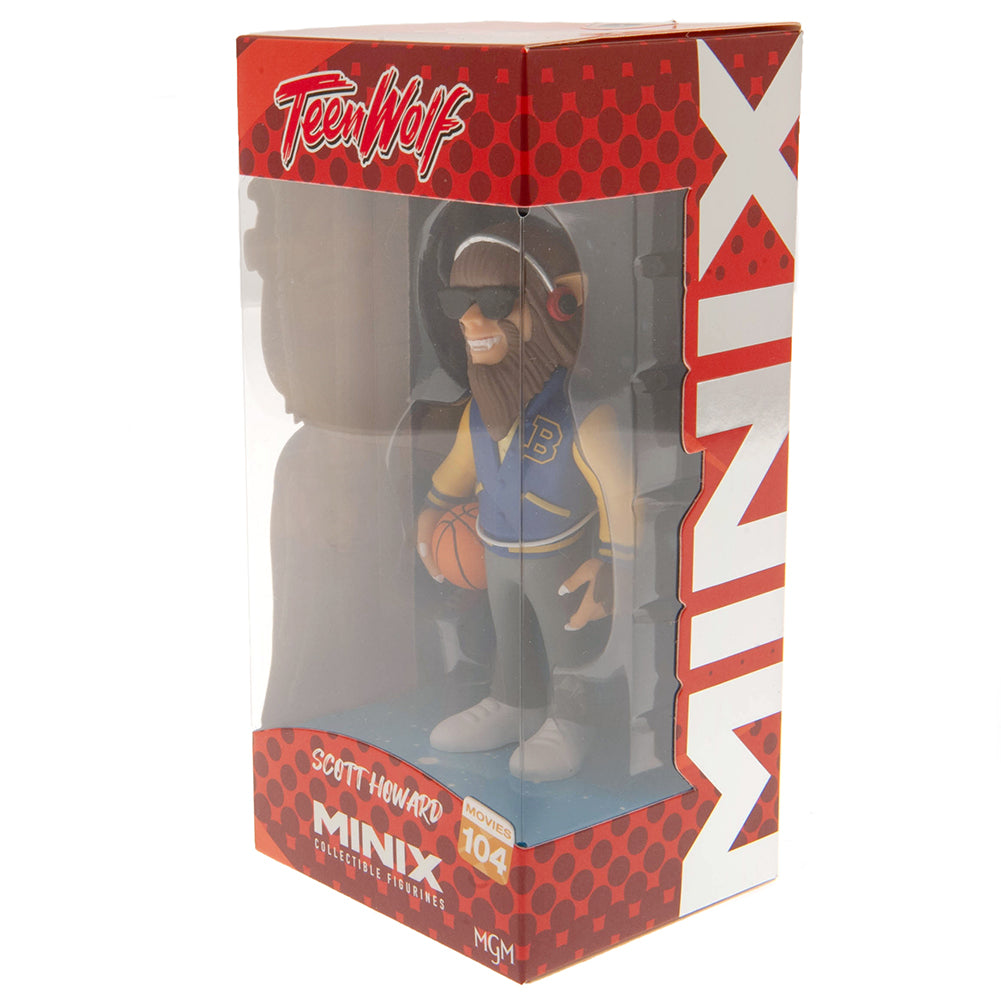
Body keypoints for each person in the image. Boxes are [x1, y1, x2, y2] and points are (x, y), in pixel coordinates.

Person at [416, 218, 634, 781]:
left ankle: (575, 719)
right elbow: (456, 469)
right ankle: (515, 702)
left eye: (495, 301)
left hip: (560, 554)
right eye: (457, 302)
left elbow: (620, 495)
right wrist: (432, 511)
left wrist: (613, 563)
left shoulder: (586, 414)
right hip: (494, 550)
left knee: (569, 640)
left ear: (555, 303)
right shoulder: (477, 413)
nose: (471, 320)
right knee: (509, 634)